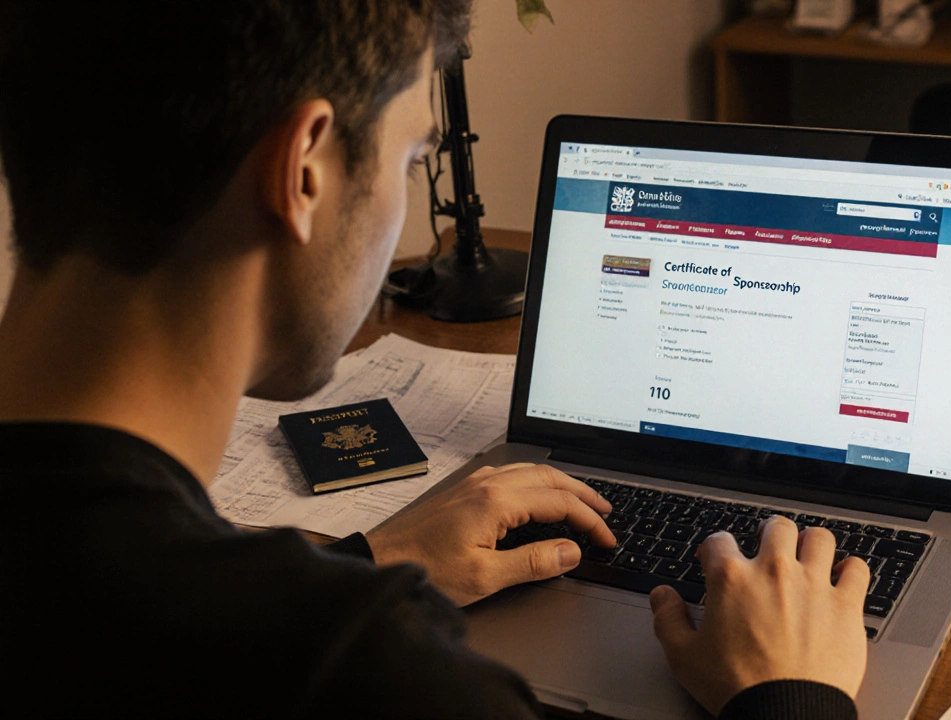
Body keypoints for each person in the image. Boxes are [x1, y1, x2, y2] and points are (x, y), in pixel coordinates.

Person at [0, 2, 870, 718]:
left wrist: (366, 560)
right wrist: (791, 696)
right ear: (302, 170)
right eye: (414, 158)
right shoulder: (374, 678)